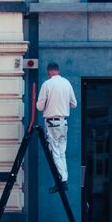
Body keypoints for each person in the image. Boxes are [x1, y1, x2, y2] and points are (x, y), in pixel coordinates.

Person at [36, 62, 77, 194]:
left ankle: (61, 181)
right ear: (58, 71)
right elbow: (74, 104)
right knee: (61, 152)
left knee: (55, 153)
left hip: (52, 123)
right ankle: (64, 179)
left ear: (49, 72)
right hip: (64, 122)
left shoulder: (47, 84)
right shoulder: (67, 83)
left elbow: (39, 107)